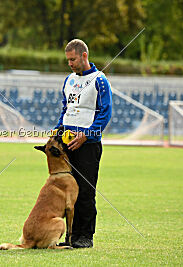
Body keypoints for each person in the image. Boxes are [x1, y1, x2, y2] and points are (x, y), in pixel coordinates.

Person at [56, 39, 112, 248]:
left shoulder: (100, 80)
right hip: (67, 144)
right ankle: (71, 236)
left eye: (73, 59)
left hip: (88, 146)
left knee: (86, 192)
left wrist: (86, 135)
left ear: (84, 56)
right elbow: (66, 109)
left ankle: (85, 237)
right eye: (68, 60)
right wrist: (57, 131)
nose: (70, 63)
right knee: (68, 192)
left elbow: (105, 114)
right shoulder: (69, 80)